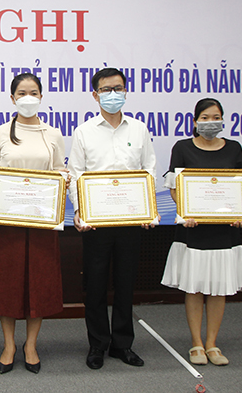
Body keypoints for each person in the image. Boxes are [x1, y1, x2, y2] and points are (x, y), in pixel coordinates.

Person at [67, 67, 156, 370]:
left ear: (126, 91)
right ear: (95, 95)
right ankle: (97, 344)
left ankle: (122, 344)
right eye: (106, 89)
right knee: (94, 286)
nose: (113, 94)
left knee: (125, 283)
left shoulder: (139, 130)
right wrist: (80, 211)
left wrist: (148, 209)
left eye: (118, 88)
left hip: (130, 221)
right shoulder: (84, 132)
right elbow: (77, 175)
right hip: (96, 222)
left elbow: (149, 172)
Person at [0, 73, 67, 374]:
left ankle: (30, 344)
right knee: (7, 285)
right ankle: (8, 345)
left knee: (38, 284)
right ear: (12, 98)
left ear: (41, 96)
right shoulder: (0, 133)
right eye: (21, 92)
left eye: (33, 92)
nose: (28, 97)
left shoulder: (52, 134)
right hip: (6, 223)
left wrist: (62, 183)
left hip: (41, 223)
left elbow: (59, 173)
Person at [161, 98, 242, 366]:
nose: (211, 122)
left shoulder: (234, 148)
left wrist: (241, 214)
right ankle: (196, 344)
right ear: (195, 121)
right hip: (193, 230)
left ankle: (212, 343)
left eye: (216, 117)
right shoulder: (182, 147)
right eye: (205, 117)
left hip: (225, 230)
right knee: (194, 287)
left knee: (219, 288)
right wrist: (185, 211)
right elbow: (174, 185)